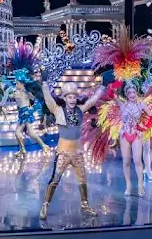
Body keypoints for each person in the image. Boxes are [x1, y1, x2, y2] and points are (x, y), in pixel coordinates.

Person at [39, 82, 105, 219]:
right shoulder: (57, 110)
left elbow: (92, 101)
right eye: (69, 97)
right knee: (55, 179)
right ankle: (45, 205)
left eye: (74, 97)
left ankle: (85, 205)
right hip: (63, 152)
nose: (72, 100)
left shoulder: (80, 109)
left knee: (83, 179)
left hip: (77, 152)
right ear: (64, 98)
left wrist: (102, 87)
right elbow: (48, 99)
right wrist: (45, 84)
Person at [12, 76, 52, 158]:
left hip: (26, 114)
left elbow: (37, 102)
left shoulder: (26, 92)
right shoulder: (16, 92)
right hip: (21, 114)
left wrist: (31, 109)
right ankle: (43, 146)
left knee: (18, 132)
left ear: (22, 84)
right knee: (30, 133)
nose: (16, 85)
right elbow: (9, 97)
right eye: (15, 83)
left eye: (17, 83)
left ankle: (23, 149)